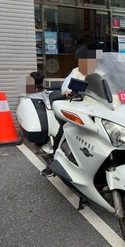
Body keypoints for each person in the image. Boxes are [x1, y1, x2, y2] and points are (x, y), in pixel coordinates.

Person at [41, 46, 97, 177]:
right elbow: (66, 86)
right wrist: (67, 91)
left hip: (97, 108)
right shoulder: (76, 72)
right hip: (79, 107)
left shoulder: (99, 73)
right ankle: (54, 160)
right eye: (85, 60)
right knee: (65, 127)